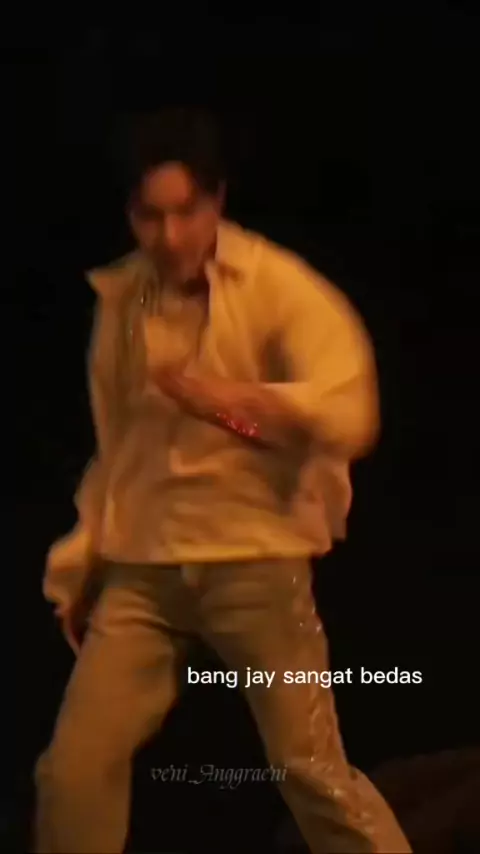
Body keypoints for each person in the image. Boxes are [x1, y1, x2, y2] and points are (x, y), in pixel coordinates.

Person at [33, 108, 411, 853]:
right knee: (72, 772)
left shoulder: (274, 287)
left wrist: (224, 401)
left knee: (310, 770)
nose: (169, 236)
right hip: (146, 568)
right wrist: (82, 563)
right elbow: (119, 453)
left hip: (254, 561)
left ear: (217, 202)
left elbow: (350, 412)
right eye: (150, 216)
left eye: (185, 213)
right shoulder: (125, 301)